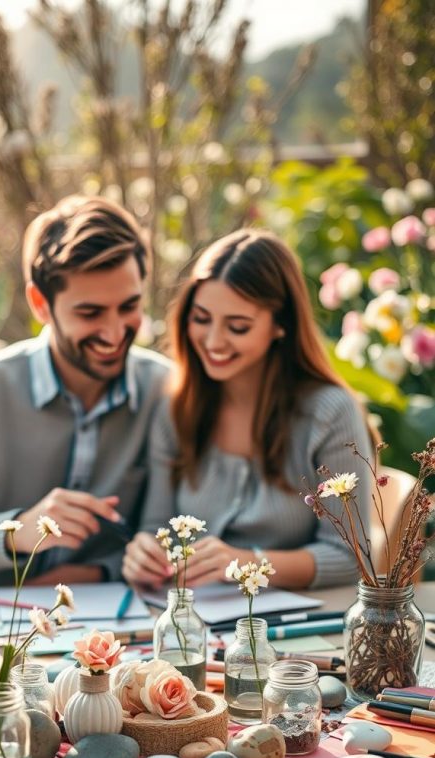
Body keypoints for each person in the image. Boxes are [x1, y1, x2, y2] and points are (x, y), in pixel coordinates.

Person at [0, 195, 170, 585]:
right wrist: (14, 531)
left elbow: (172, 535)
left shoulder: (166, 390)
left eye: (129, 307)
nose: (113, 332)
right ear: (40, 303)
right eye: (90, 313)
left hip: (128, 630)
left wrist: (92, 572)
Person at [122, 228, 373, 590]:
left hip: (298, 628)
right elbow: (157, 528)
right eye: (202, 319)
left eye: (237, 326)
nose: (213, 341)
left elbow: (352, 558)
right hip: (194, 621)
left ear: (280, 326)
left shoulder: (329, 412)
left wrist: (250, 563)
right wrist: (144, 553)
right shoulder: (176, 408)